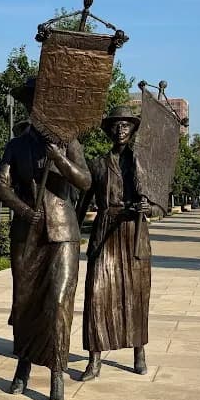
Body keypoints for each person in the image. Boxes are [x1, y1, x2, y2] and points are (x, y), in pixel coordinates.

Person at [0, 79, 91, 400]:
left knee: (59, 302)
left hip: (63, 231)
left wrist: (60, 159)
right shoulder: (16, 145)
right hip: (27, 233)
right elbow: (2, 185)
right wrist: (22, 209)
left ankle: (57, 372)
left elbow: (85, 180)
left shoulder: (68, 141)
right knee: (25, 302)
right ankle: (23, 363)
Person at [77, 106, 152, 380]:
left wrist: (149, 207)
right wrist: (71, 235)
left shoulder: (141, 164)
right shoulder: (97, 165)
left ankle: (139, 352)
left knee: (136, 295)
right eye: (116, 125)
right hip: (105, 231)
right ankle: (94, 359)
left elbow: (159, 205)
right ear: (109, 130)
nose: (120, 130)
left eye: (126, 125)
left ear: (132, 130)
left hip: (134, 233)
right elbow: (82, 204)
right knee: (97, 294)